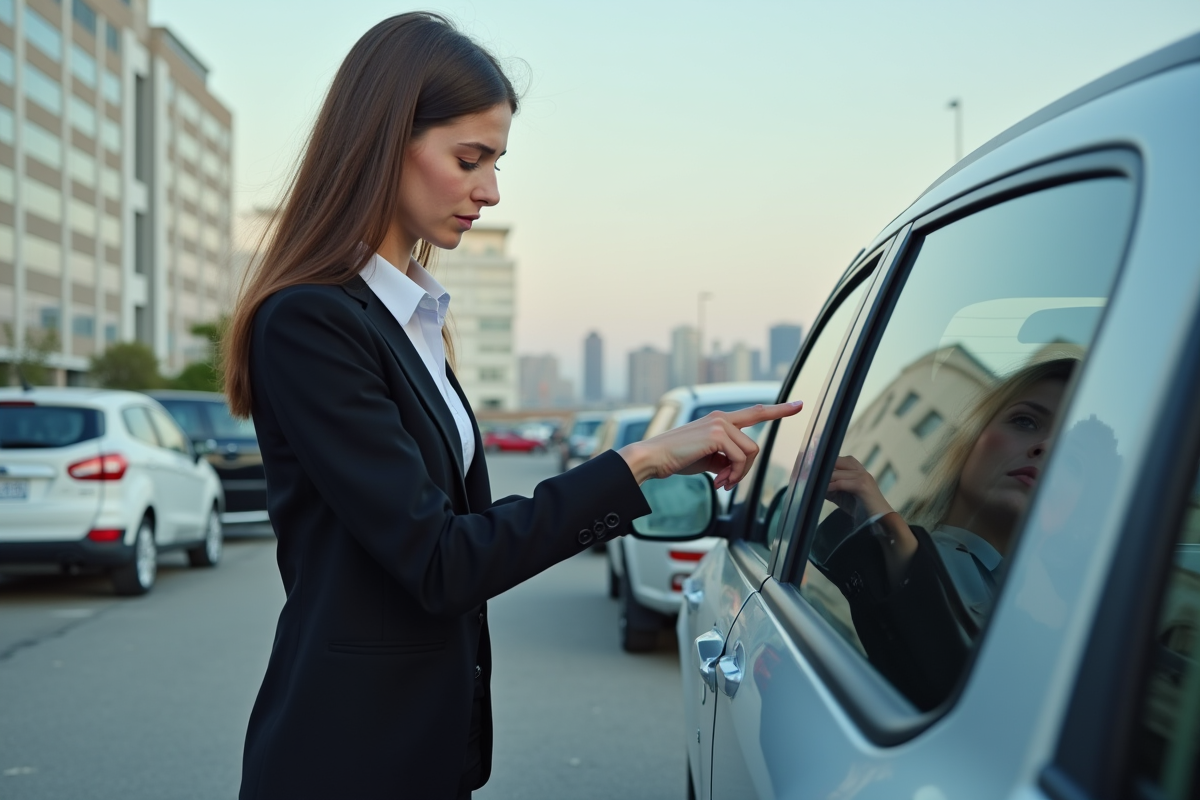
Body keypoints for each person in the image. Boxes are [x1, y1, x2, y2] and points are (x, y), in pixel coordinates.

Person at [221, 14, 800, 800]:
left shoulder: (411, 321)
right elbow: (441, 562)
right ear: (387, 139)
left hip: (416, 752)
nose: (489, 191)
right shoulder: (312, 322)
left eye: (495, 163)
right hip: (347, 758)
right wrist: (643, 460)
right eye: (471, 160)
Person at [816, 357, 1077, 708]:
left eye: (1073, 453)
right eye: (1025, 421)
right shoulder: (903, 556)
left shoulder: (1082, 621)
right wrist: (888, 532)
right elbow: (950, 689)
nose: (1045, 447)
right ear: (971, 440)